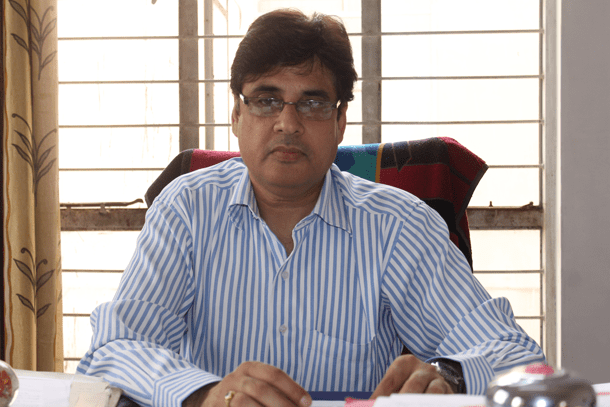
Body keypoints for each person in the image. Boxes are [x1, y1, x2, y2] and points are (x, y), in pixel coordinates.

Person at [77, 9, 545, 407]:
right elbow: (113, 349)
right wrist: (207, 394)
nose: (288, 123)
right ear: (236, 115)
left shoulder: (398, 225)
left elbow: (517, 356)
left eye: (313, 103)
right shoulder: (186, 209)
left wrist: (449, 375)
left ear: (340, 122)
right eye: (267, 100)